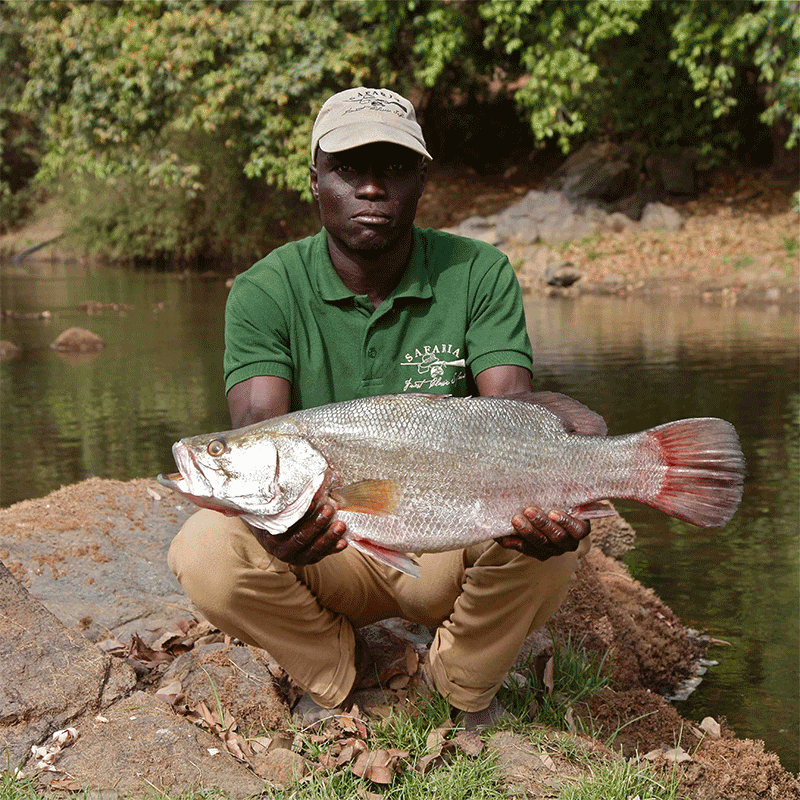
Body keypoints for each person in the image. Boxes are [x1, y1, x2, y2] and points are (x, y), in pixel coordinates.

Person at [168, 87, 591, 729]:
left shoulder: (478, 271)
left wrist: (550, 496)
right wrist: (276, 528)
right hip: (327, 543)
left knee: (551, 543)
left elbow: (511, 411)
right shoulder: (263, 290)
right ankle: (338, 666)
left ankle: (462, 684)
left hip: (446, 537)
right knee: (204, 551)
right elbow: (257, 430)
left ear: (421, 178)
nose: (371, 188)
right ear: (315, 181)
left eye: (392, 168)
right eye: (348, 169)